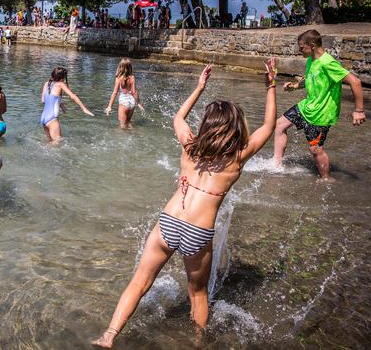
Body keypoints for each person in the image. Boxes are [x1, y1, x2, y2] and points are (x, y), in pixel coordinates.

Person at [92, 58, 278, 348]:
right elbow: (268, 125)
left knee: (139, 282)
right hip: (198, 232)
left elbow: (178, 118)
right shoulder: (236, 158)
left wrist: (199, 87)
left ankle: (109, 336)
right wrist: (271, 85)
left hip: (169, 220)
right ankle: (197, 342)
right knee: (198, 293)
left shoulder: (190, 145)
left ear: (206, 124)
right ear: (234, 128)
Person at [273, 30, 365, 180]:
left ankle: (326, 179)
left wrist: (359, 110)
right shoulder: (311, 60)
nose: (299, 50)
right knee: (279, 125)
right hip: (307, 106)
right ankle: (276, 166)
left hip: (321, 114)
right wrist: (295, 86)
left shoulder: (328, 63)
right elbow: (310, 78)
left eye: (301, 47)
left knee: (315, 150)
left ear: (312, 45)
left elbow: (355, 82)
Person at [40, 66, 94, 142]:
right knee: (56, 145)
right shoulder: (61, 84)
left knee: (49, 142)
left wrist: (60, 103)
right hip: (52, 119)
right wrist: (84, 109)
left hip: (43, 119)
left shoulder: (46, 84)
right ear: (62, 78)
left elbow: (43, 100)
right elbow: (73, 96)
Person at [104, 58, 144, 128]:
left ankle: (124, 137)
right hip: (132, 102)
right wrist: (139, 103)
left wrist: (109, 106)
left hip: (124, 102)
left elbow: (115, 93)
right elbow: (134, 92)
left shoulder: (119, 78)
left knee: (122, 126)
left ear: (120, 67)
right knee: (128, 123)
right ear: (130, 67)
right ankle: (134, 134)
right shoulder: (132, 77)